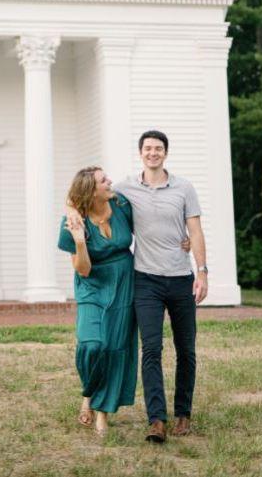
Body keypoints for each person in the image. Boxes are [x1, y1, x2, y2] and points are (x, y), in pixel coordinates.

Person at [67, 130, 207, 444]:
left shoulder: (183, 187)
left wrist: (202, 271)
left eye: (158, 148)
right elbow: (81, 195)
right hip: (144, 280)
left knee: (186, 350)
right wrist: (71, 214)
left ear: (166, 153)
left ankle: (183, 413)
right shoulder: (126, 188)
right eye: (148, 148)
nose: (153, 153)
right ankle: (156, 420)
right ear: (140, 153)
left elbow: (195, 232)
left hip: (180, 278)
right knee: (151, 350)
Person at [57, 166, 137, 437]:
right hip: (92, 284)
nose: (110, 181)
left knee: (114, 347)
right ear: (91, 191)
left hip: (124, 283)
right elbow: (83, 269)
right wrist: (80, 241)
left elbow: (152, 223)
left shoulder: (121, 204)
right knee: (92, 345)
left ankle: (102, 413)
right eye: (104, 180)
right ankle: (88, 392)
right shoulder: (73, 221)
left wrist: (180, 240)